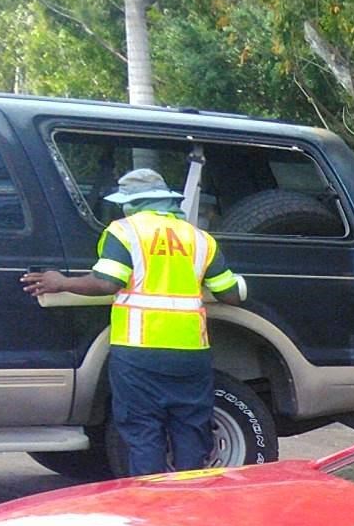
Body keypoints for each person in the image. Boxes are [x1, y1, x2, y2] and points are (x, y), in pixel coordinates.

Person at [21, 168, 249, 474]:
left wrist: (61, 282)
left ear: (132, 203)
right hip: (191, 354)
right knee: (191, 429)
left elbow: (107, 283)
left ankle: (150, 505)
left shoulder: (124, 232)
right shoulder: (200, 239)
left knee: (143, 432)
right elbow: (230, 295)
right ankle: (190, 501)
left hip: (139, 352)